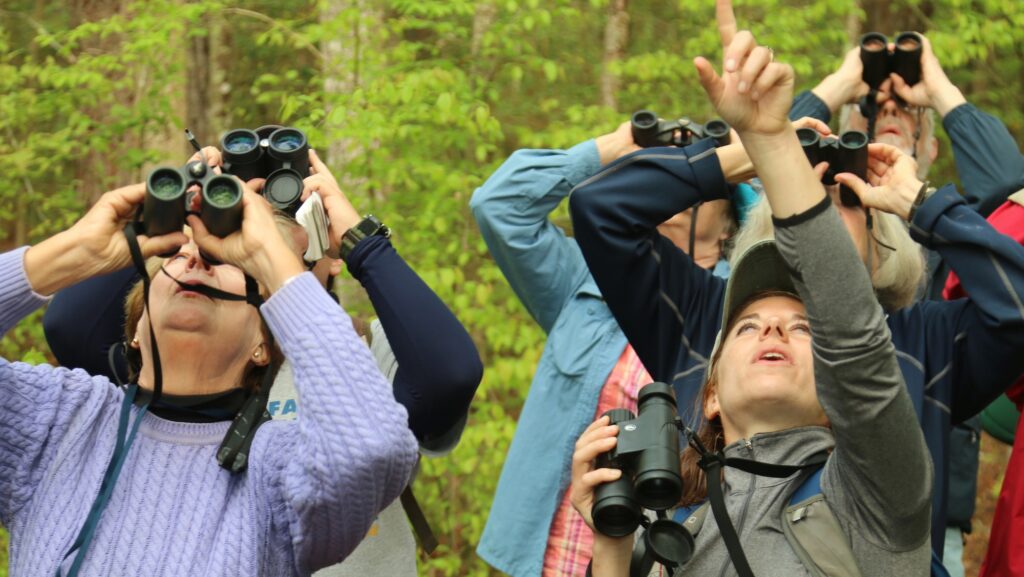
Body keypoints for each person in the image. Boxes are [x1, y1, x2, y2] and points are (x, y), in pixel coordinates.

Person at [568, 3, 1024, 567]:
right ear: (710, 394)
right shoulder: (710, 314)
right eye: (810, 188)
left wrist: (924, 202)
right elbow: (600, 208)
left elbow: (1012, 302)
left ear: (887, 243)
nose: (772, 332)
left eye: (851, 196)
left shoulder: (921, 339)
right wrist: (747, 153)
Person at [42, 145, 483, 577]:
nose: (253, 249)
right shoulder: (179, 364)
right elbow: (70, 328)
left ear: (329, 259)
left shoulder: (364, 354)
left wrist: (360, 242)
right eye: (225, 247)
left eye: (278, 237)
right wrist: (169, 202)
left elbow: (448, 376)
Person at [469, 121, 752, 576]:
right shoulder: (587, 275)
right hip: (553, 551)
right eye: (666, 171)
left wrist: (741, 159)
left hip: (666, 556)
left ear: (730, 222)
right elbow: (498, 206)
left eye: (696, 179)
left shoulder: (740, 309)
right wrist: (617, 148)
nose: (677, 188)